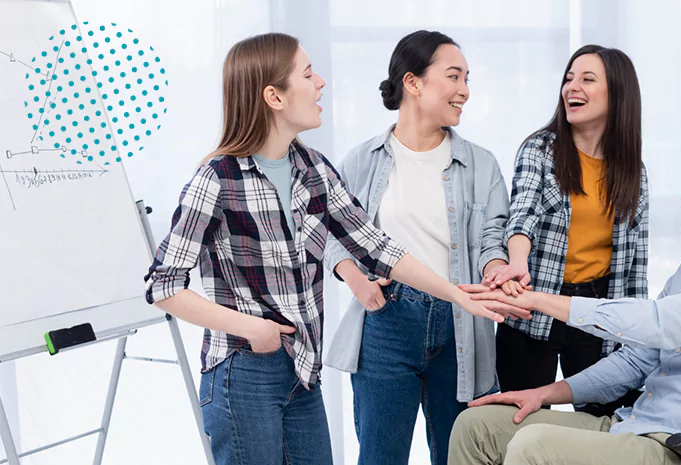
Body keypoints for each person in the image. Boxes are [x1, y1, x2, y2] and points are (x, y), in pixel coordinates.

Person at [143, 32, 527, 465]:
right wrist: (250, 327)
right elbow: (163, 285)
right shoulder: (218, 178)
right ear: (274, 96)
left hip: (304, 372)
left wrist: (457, 293)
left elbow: (376, 247)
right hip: (242, 371)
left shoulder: (314, 170)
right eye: (307, 74)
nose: (321, 82)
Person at [449, 145, 681, 465]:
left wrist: (537, 299)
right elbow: (638, 358)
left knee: (534, 446)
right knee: (476, 426)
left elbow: (661, 324)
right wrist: (543, 394)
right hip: (636, 425)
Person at [323, 30, 512, 465]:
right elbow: (330, 234)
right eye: (453, 76)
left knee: (460, 455)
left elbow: (491, 238)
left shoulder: (481, 164)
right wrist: (356, 282)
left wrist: (495, 268)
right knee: (381, 456)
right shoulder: (362, 160)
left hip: (461, 323)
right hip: (387, 320)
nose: (464, 90)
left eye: (467, 79)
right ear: (413, 82)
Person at [482, 45, 649, 413]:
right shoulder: (540, 150)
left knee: (601, 427)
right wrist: (517, 263)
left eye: (587, 79)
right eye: (569, 78)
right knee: (518, 422)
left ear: (617, 92)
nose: (572, 87)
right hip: (532, 307)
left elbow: (636, 264)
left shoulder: (633, 171)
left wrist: (637, 332)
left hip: (594, 315)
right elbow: (522, 213)